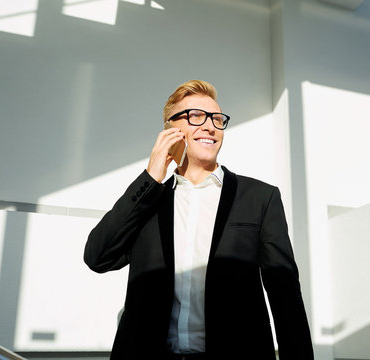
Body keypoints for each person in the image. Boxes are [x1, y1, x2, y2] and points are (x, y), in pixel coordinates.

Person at [84, 80, 313, 360]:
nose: (210, 126)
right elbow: (98, 257)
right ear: (170, 130)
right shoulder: (148, 201)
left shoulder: (260, 198)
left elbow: (285, 294)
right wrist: (150, 178)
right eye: (195, 116)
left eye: (217, 119)